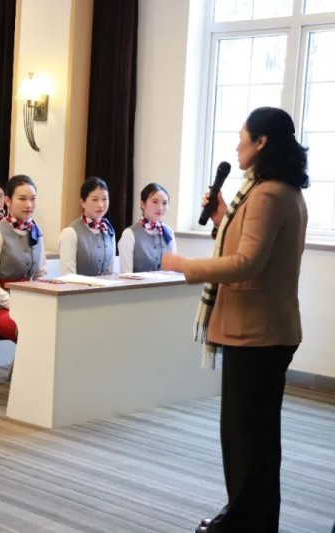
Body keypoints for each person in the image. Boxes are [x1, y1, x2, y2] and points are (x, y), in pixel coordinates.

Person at [161, 107, 309, 533]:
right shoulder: (277, 189)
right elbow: (251, 246)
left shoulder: (267, 193)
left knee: (247, 438)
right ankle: (250, 517)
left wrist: (184, 265)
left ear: (261, 142)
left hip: (257, 331)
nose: (237, 145)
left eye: (242, 137)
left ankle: (245, 521)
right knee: (254, 436)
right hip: (264, 330)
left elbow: (247, 263)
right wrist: (222, 215)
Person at [0, 175, 46, 341]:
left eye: (32, 199)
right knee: (28, 326)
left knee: (51, 322)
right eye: (22, 199)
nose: (29, 204)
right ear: (8, 201)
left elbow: (40, 274)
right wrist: (13, 304)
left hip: (27, 302)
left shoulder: (36, 231)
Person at [58, 177, 115, 276]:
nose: (101, 205)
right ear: (82, 203)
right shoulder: (70, 233)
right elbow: (67, 275)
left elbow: (110, 271)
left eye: (105, 199)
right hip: (77, 286)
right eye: (95, 199)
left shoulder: (108, 230)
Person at [118, 183, 176, 273]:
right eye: (155, 202)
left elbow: (173, 271)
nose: (160, 208)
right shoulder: (129, 234)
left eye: (164, 203)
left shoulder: (169, 232)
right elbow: (126, 274)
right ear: (142, 204)